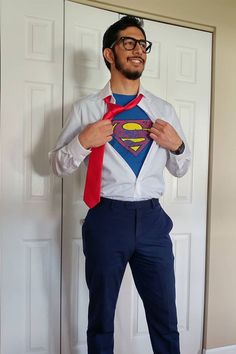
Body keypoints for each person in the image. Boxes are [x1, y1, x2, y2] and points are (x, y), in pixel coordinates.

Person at [49, 15, 191, 354]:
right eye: (129, 42)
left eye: (143, 44)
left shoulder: (163, 110)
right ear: (109, 54)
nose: (138, 50)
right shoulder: (87, 110)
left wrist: (178, 146)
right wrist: (83, 140)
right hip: (106, 219)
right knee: (101, 317)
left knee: (165, 318)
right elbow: (57, 165)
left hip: (154, 222)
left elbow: (182, 169)